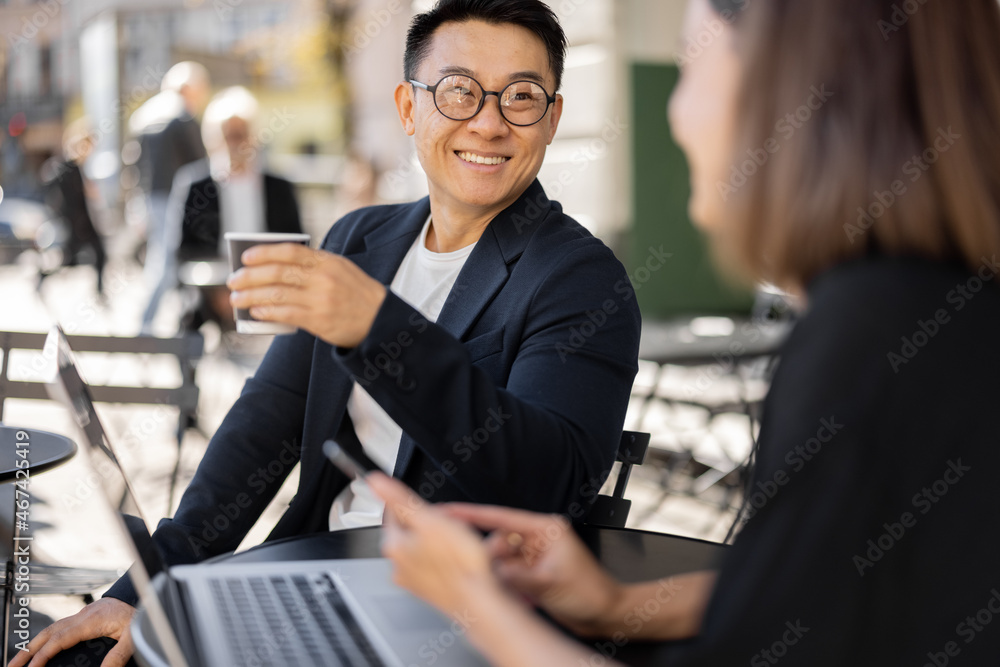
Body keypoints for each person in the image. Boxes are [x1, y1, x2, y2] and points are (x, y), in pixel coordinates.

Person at [367, 0, 1000, 665]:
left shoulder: (865, 347)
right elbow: (831, 586)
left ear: (782, 92)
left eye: (690, 70)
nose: (673, 114)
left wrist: (474, 603)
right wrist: (615, 602)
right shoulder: (934, 316)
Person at [11, 2, 641, 665]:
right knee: (84, 656)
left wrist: (379, 326)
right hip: (317, 570)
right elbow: (263, 428)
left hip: (469, 615)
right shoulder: (359, 240)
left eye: (521, 96)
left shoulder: (582, 279)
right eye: (459, 92)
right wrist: (153, 579)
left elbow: (550, 486)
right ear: (408, 108)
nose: (487, 121)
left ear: (552, 118)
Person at [174, 86, 303, 331]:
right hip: (210, 287)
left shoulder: (279, 187)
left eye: (240, 134)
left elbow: (296, 244)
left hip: (269, 284)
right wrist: (218, 291)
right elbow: (181, 249)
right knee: (188, 321)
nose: (234, 143)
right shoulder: (196, 186)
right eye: (227, 135)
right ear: (213, 140)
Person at [132, 61, 211, 334]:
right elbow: (200, 165)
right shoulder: (181, 116)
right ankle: (144, 327)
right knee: (166, 264)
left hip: (151, 199)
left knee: (164, 263)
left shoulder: (147, 115)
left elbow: (133, 165)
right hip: (177, 201)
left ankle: (178, 325)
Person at [40, 119, 108, 296]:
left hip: (84, 221)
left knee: (100, 254)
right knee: (68, 259)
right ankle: (41, 277)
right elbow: (62, 195)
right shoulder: (67, 168)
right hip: (75, 221)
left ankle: (100, 291)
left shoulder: (79, 168)